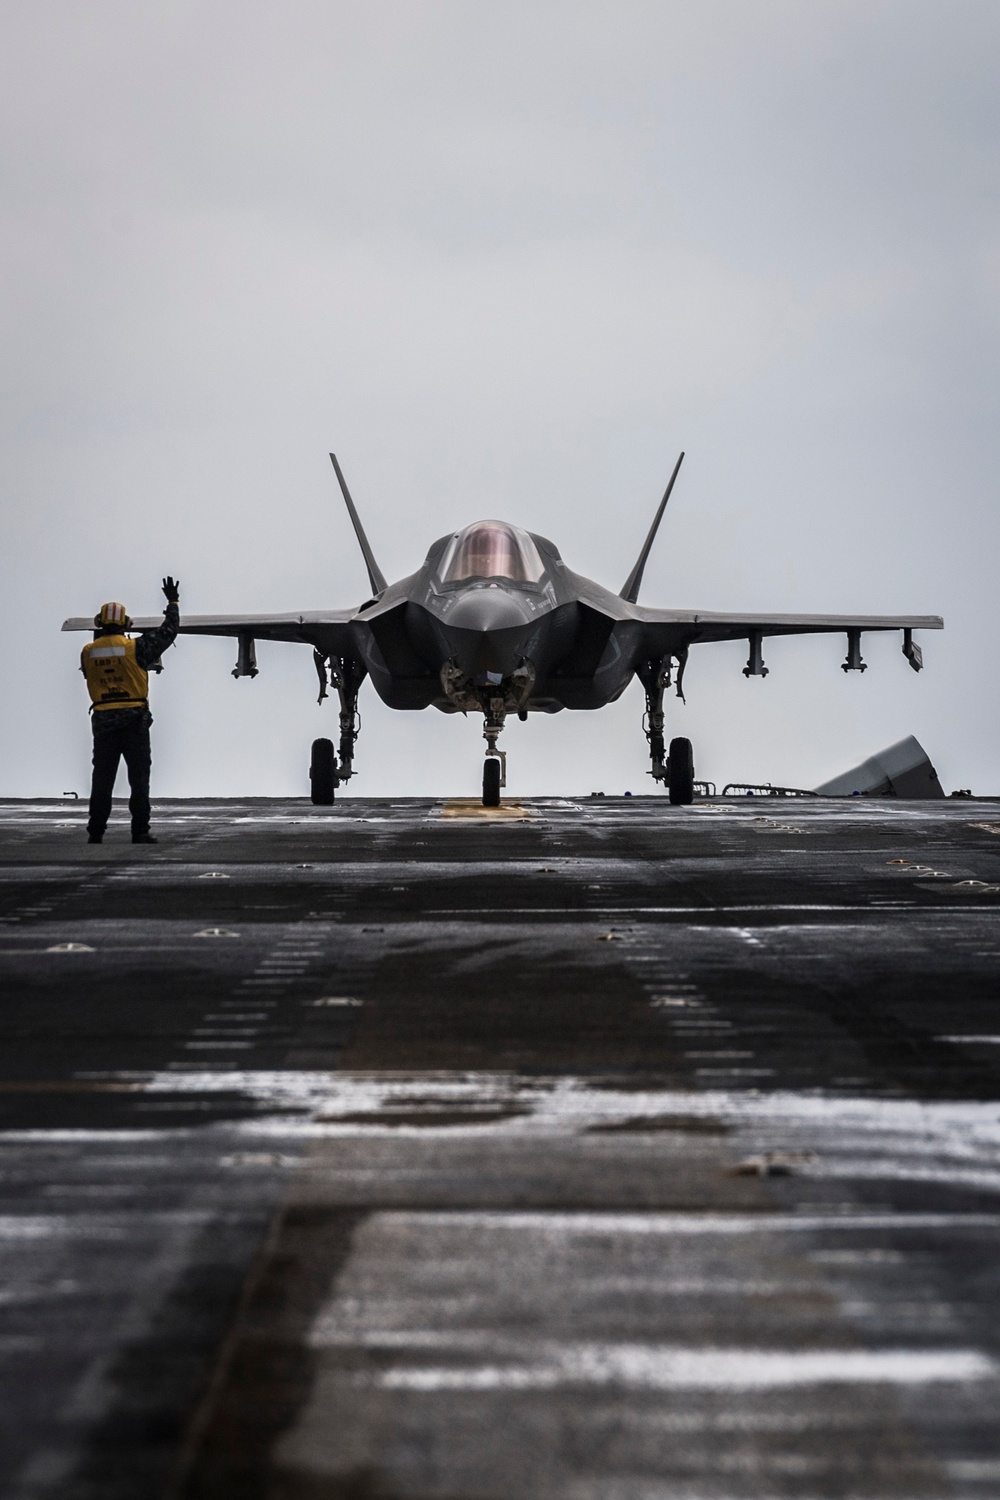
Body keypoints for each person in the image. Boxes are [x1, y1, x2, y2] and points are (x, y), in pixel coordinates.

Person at [81, 578, 180, 844]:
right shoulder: (135, 647)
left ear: (99, 624)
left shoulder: (88, 651)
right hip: (134, 720)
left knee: (102, 779)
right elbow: (169, 632)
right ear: (126, 624)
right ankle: (140, 831)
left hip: (102, 720)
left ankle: (96, 832)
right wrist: (173, 602)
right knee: (138, 779)